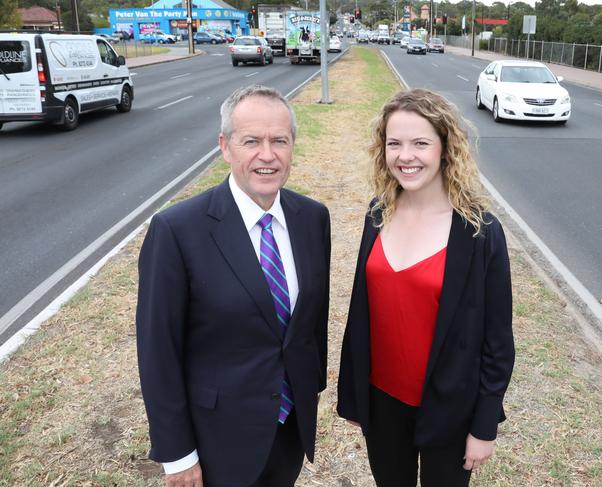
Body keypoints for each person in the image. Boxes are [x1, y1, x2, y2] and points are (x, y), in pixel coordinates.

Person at [136, 85, 331, 487]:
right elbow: (158, 351)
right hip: (216, 442)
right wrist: (177, 454)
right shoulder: (177, 230)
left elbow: (313, 321)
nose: (267, 154)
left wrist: (311, 388)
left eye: (279, 140)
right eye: (251, 141)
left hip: (289, 428)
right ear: (225, 147)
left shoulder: (313, 218)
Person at [337, 89, 515, 487]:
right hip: (382, 404)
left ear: (445, 147)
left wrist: (485, 425)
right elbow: (361, 311)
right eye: (394, 143)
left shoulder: (480, 232)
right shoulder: (377, 212)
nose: (406, 156)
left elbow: (497, 340)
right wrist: (352, 394)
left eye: (420, 143)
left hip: (450, 408)